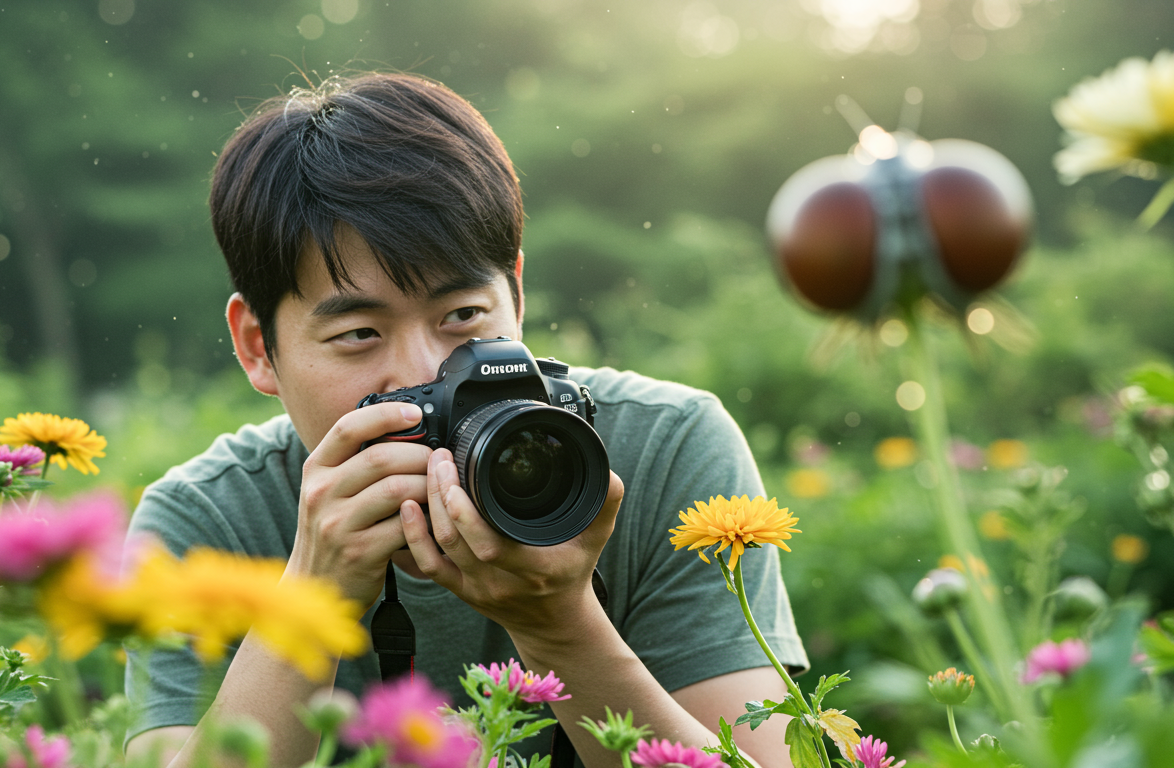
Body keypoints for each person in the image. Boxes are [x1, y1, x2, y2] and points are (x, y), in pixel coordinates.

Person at [123, 72, 807, 768]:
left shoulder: (663, 448)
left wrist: (560, 626)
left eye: (462, 316)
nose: (423, 373)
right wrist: (310, 598)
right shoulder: (207, 522)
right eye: (359, 333)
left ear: (516, 294)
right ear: (257, 347)